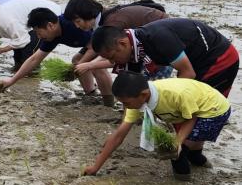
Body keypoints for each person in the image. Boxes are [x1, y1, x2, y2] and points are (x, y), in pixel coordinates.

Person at [83, 72, 231, 178]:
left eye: (126, 103)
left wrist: (177, 142)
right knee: (191, 152)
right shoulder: (137, 101)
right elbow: (118, 136)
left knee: (176, 152)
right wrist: (95, 167)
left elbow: (191, 118)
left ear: (144, 95)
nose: (125, 106)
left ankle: (183, 184)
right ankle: (203, 164)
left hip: (213, 110)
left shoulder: (174, 95)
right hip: (191, 109)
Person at [91, 18, 239, 96]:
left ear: (122, 43)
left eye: (112, 56)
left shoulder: (157, 38)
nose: (112, 62)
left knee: (200, 107)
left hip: (220, 57)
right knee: (189, 113)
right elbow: (132, 89)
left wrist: (164, 99)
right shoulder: (135, 49)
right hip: (197, 62)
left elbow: (188, 73)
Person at [0, 7, 114, 104]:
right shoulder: (52, 36)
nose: (38, 37)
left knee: (96, 67)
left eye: (39, 32)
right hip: (93, 44)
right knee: (77, 60)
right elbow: (34, 59)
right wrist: (12, 80)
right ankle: (91, 94)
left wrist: (82, 64)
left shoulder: (73, 26)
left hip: (108, 41)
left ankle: (109, 101)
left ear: (50, 25)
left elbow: (94, 46)